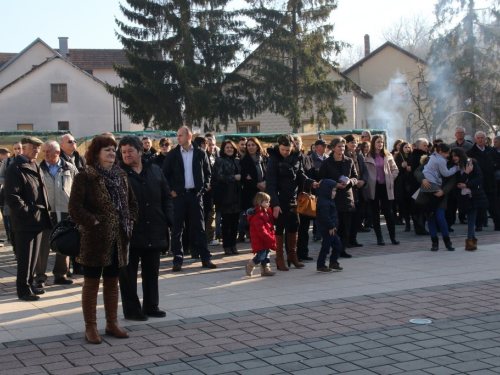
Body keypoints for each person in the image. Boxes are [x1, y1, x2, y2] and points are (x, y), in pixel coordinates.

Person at [68, 135, 139, 344]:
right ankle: (91, 326)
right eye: (107, 149)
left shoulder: (121, 175)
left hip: (119, 238)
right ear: (96, 152)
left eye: (113, 149)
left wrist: (130, 220)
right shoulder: (85, 177)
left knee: (112, 282)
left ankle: (112, 323)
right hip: (94, 239)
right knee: (91, 283)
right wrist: (95, 223)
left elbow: (133, 204)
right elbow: (74, 208)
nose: (111, 153)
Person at [118, 136, 173, 321]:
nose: (126, 155)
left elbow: (166, 196)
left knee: (152, 271)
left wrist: (168, 218)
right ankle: (132, 309)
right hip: (129, 232)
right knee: (128, 274)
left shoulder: (155, 170)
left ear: (140, 151)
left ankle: (151, 306)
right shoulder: (118, 173)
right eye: (123, 152)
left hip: (154, 228)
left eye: (130, 151)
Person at [4, 137, 52, 301]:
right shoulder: (15, 168)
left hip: (37, 219)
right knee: (25, 257)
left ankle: (30, 284)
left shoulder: (34, 165)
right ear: (24, 148)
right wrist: (26, 213)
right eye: (33, 147)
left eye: (38, 148)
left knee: (33, 257)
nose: (37, 151)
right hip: (25, 221)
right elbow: (12, 196)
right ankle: (23, 289)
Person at [163, 126, 216, 271]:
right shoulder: (173, 154)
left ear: (189, 137)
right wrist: (171, 191)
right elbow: (165, 175)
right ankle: (177, 260)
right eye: (177, 135)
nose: (178, 138)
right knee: (177, 229)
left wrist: (203, 189)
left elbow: (208, 173)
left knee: (199, 228)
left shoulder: (200, 153)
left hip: (195, 195)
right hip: (178, 196)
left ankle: (205, 258)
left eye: (180, 135)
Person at [266, 135, 319, 271]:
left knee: (295, 225)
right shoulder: (273, 159)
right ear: (279, 146)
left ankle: (292, 256)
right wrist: (275, 204)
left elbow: (300, 174)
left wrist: (311, 182)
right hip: (279, 198)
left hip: (293, 197)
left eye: (288, 150)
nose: (285, 152)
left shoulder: (296, 157)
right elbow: (270, 184)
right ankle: (279, 258)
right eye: (283, 149)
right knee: (280, 228)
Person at [35, 140, 78, 288]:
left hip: (65, 211)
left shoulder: (70, 168)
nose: (45, 154)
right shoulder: (38, 169)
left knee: (63, 243)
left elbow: (77, 189)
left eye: (48, 151)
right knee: (43, 246)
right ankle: (40, 276)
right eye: (44, 151)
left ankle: (61, 274)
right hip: (46, 212)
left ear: (57, 152)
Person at [319, 137, 358, 257]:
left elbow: (356, 177)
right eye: (339, 146)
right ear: (333, 148)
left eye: (343, 146)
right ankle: (334, 249)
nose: (341, 148)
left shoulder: (349, 161)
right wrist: (335, 185)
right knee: (334, 225)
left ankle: (342, 249)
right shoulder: (326, 163)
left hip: (347, 197)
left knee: (346, 227)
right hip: (333, 197)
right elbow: (322, 179)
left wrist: (350, 182)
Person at [414, 149, 457, 251]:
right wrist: (422, 179)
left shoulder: (449, 164)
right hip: (427, 194)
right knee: (431, 218)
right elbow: (417, 171)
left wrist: (443, 191)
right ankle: (434, 242)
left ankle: (447, 241)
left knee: (441, 218)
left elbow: (451, 181)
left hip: (440, 195)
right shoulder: (430, 160)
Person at [364, 135, 399, 245]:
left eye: (382, 142)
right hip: (373, 186)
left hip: (385, 186)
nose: (380, 144)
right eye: (378, 142)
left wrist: (390, 179)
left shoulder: (388, 155)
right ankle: (379, 238)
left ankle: (393, 237)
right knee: (375, 213)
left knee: (388, 212)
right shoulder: (368, 156)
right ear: (373, 143)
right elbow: (364, 171)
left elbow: (395, 170)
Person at [59, 133, 86, 276]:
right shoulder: (60, 160)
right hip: (65, 202)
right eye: (70, 141)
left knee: (79, 233)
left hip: (81, 201)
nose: (73, 143)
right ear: (61, 145)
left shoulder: (80, 158)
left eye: (74, 141)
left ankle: (78, 264)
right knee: (68, 234)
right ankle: (65, 267)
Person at [452, 148, 488, 250]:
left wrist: (467, 184)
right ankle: (472, 240)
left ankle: (470, 241)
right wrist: (466, 173)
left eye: (456, 155)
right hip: (463, 195)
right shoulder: (455, 167)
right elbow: (459, 182)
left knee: (472, 217)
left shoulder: (471, 163)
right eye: (453, 156)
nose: (454, 158)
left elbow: (479, 178)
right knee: (470, 217)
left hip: (474, 194)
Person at [213, 140, 242, 255]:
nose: (229, 149)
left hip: (236, 195)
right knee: (226, 223)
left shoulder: (237, 161)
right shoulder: (220, 160)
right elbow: (218, 176)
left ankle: (233, 244)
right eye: (227, 147)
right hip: (225, 195)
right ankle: (226, 245)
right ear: (223, 149)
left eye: (231, 147)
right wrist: (233, 177)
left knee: (235, 222)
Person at [466, 131, 500, 231]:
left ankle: (497, 224)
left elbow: (497, 161)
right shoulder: (470, 152)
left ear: (485, 139)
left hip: (491, 181)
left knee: (493, 205)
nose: (480, 140)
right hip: (478, 183)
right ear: (475, 139)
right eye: (478, 138)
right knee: (479, 205)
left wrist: (494, 166)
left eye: (482, 138)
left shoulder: (491, 150)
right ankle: (479, 224)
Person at [294, 135, 317, 261]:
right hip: (293, 197)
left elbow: (312, 174)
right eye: (294, 142)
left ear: (302, 144)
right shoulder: (289, 158)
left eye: (298, 142)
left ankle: (303, 253)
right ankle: (293, 254)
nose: (296, 144)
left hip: (306, 198)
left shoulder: (307, 158)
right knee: (293, 227)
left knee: (304, 227)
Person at [420, 143, 459, 217]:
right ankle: (426, 212)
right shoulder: (441, 160)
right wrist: (456, 168)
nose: (448, 155)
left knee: (432, 199)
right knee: (438, 197)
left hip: (427, 178)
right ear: (441, 152)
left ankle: (428, 212)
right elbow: (445, 173)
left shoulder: (433, 156)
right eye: (447, 153)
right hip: (432, 181)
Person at [344, 134, 368, 247]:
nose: (354, 145)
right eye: (351, 142)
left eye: (355, 142)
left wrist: (363, 181)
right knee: (349, 217)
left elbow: (365, 170)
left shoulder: (359, 155)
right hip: (349, 190)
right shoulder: (343, 155)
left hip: (360, 189)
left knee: (358, 215)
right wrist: (353, 182)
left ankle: (354, 238)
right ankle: (347, 239)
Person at [245, 192, 276, 277]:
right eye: (266, 202)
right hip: (261, 239)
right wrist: (269, 238)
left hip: (266, 238)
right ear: (259, 202)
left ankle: (265, 269)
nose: (268, 204)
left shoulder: (266, 212)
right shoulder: (258, 215)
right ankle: (250, 264)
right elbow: (261, 230)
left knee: (267, 255)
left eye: (268, 202)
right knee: (261, 256)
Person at [315, 179, 343, 273]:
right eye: (333, 191)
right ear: (327, 191)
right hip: (327, 229)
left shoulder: (328, 200)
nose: (335, 193)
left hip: (331, 228)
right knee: (326, 247)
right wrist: (331, 226)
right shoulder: (324, 202)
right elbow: (324, 216)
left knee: (337, 245)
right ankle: (321, 264)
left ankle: (333, 262)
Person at [0, 142, 23, 249]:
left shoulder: (27, 161)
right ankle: (13, 243)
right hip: (10, 195)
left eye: (19, 148)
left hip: (24, 196)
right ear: (13, 150)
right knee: (10, 220)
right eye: (15, 148)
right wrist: (10, 182)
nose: (18, 150)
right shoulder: (7, 161)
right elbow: (0, 177)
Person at [240, 137, 267, 213]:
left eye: (253, 145)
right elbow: (244, 179)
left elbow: (268, 174)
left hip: (264, 193)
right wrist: (257, 184)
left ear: (257, 146)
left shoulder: (264, 159)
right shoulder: (244, 161)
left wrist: (265, 182)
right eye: (248, 145)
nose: (251, 147)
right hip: (250, 195)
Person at [409, 138, 430, 235]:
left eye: (427, 145)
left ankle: (420, 227)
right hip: (418, 185)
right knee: (419, 208)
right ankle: (419, 227)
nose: (426, 147)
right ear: (418, 146)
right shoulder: (417, 156)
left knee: (422, 208)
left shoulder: (425, 155)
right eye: (424, 145)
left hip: (421, 185)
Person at [204, 135, 219, 246]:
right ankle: (206, 237)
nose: (211, 146)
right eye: (209, 144)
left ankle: (210, 237)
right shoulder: (202, 156)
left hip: (213, 191)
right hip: (204, 191)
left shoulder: (215, 156)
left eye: (213, 144)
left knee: (212, 215)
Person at [394, 142, 413, 231]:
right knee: (404, 204)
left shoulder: (412, 157)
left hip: (411, 183)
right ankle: (407, 224)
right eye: (405, 147)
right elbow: (395, 170)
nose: (407, 149)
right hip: (402, 183)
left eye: (408, 147)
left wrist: (410, 168)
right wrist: (401, 166)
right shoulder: (398, 157)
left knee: (411, 204)